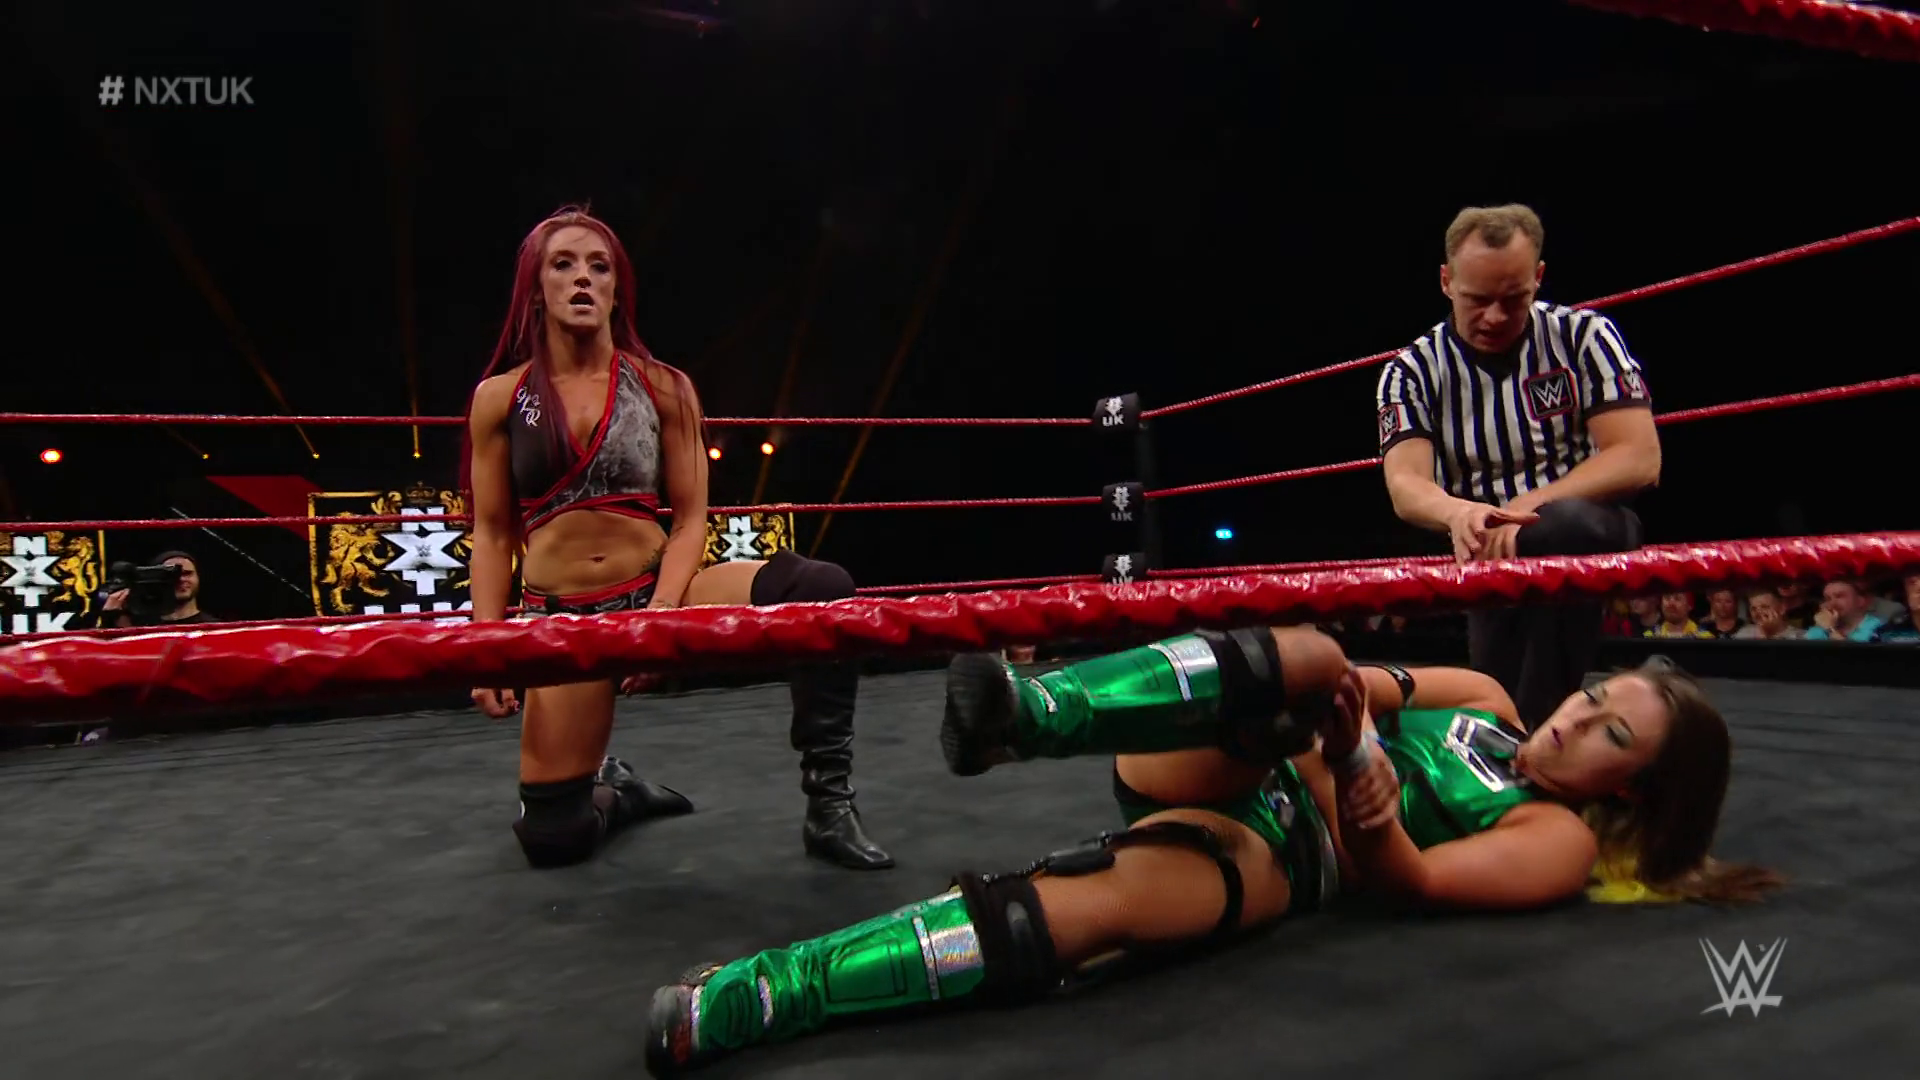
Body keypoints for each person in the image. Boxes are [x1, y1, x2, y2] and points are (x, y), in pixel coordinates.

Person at [644, 625, 1779, 1075]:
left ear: (1633, 786)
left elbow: (1413, 882)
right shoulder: (1483, 694)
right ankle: (1027, 714)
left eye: (1610, 734)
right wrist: (1344, 726)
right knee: (1309, 659)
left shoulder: (1556, 839)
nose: (1575, 720)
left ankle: (764, 994)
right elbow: (1352, 685)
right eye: (1593, 697)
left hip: (1290, 855)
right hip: (1232, 757)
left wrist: (1368, 792)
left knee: (1080, 909)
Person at [463, 206, 893, 872]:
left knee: (820, 589)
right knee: (553, 838)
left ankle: (830, 806)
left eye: (599, 267)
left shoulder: (664, 386)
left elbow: (691, 518)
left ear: (616, 290)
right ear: (537, 289)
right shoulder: (501, 397)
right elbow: (492, 533)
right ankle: (620, 792)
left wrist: (661, 615)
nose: (583, 278)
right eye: (563, 264)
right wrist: (486, 648)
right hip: (564, 621)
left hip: (657, 594)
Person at [1376, 204, 1663, 730]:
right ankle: (1517, 732)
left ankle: (1527, 730)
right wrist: (1459, 513)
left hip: (1589, 528)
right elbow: (1405, 482)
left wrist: (1531, 503)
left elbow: (1639, 456)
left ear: (1539, 278)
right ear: (1446, 281)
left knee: (1564, 526)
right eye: (1477, 299)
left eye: (1513, 299)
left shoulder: (1583, 335)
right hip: (1486, 548)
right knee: (1497, 679)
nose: (1494, 317)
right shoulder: (1412, 370)